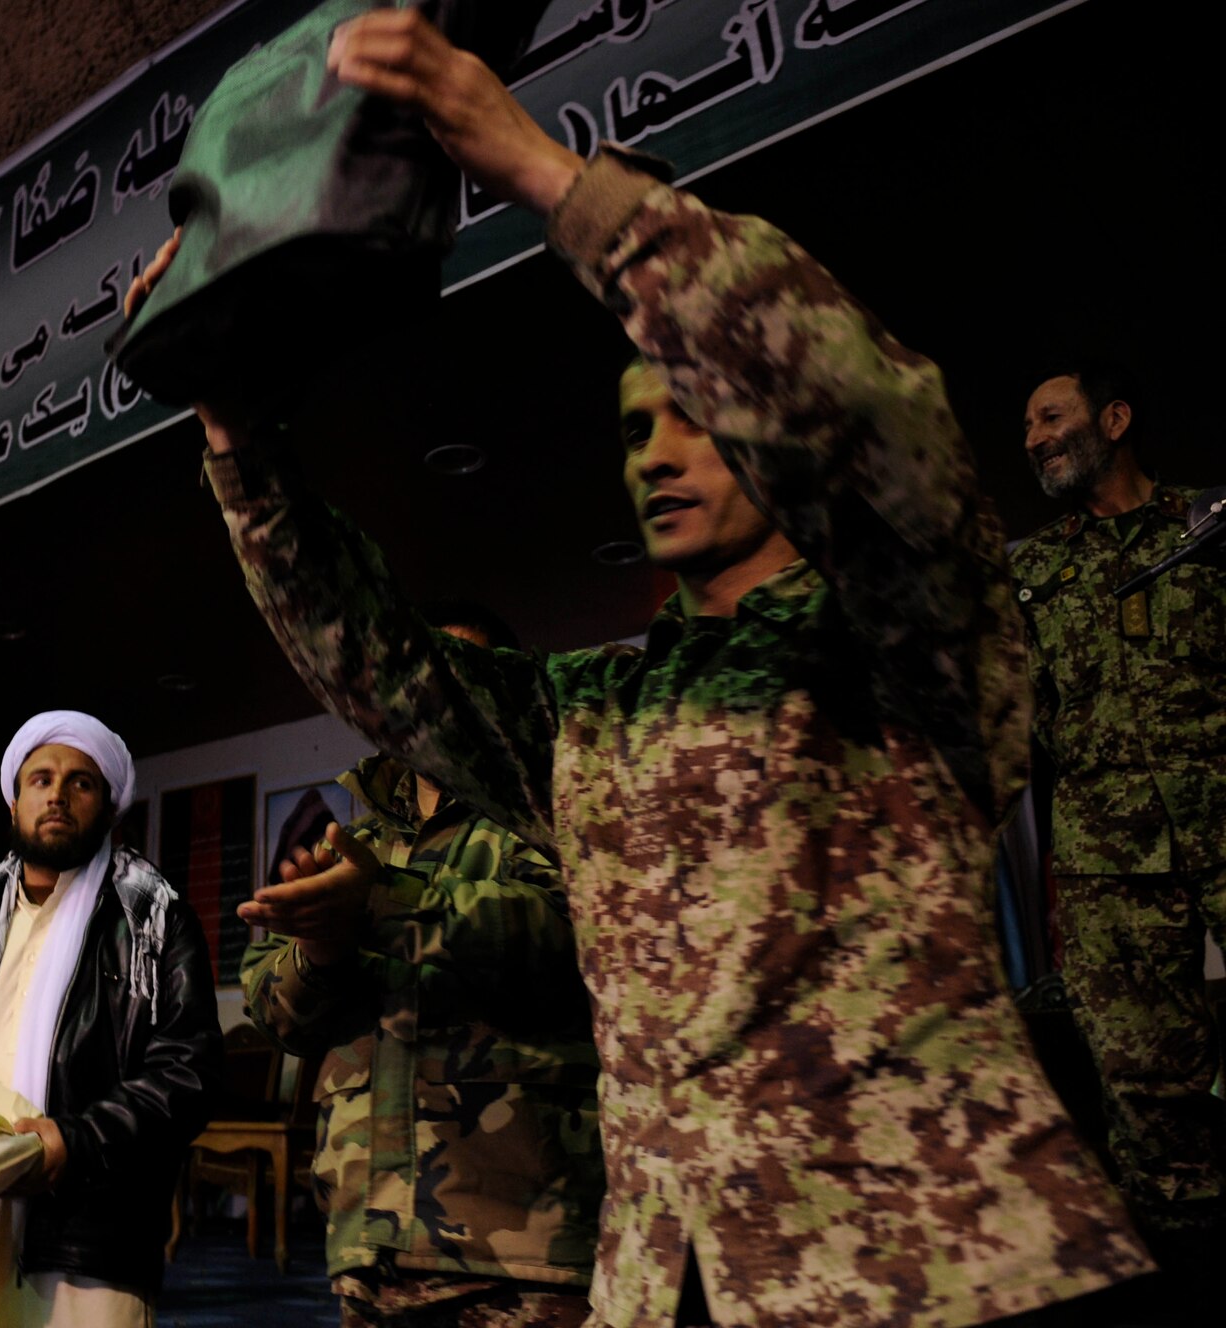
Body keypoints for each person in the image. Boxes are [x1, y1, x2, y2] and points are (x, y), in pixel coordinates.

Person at [130, 10, 1152, 1325]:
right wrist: (234, 434)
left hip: (920, 1273)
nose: (658, 455)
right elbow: (377, 663)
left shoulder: (907, 647)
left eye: (694, 417)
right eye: (633, 433)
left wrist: (549, 179)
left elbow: (865, 415)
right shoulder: (594, 712)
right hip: (663, 1280)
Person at [241, 603, 603, 1328]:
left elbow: (570, 942)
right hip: (370, 1240)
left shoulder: (555, 813)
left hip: (522, 1239)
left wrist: (383, 901)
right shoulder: (354, 840)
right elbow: (274, 1011)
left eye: (456, 679)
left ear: (504, 691)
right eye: (412, 681)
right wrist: (320, 950)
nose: (430, 699)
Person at [0, 710, 221, 1328]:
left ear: (110, 806)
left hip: (85, 1235)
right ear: (13, 802)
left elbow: (189, 1073)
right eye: (40, 779)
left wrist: (78, 1141)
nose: (58, 795)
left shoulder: (154, 920)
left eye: (81, 782)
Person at [1011, 366, 1225, 1288]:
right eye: (1027, 427)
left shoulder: (1211, 527)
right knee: (1144, 1088)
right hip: (1107, 860)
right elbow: (1009, 721)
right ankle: (1191, 1273)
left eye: (1050, 417)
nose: (1033, 439)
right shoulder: (1032, 573)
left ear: (1115, 419)